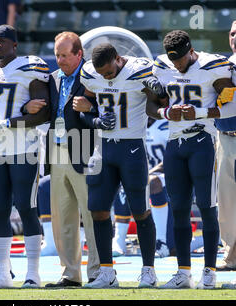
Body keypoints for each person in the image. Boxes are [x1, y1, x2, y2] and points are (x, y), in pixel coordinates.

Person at [148, 30, 236, 289]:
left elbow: (231, 105)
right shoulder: (162, 66)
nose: (177, 65)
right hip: (175, 143)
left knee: (208, 207)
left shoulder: (214, 65)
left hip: (203, 141)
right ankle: (183, 272)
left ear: (191, 51)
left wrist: (198, 112)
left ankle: (209, 271)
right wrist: (166, 111)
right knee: (179, 209)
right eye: (172, 60)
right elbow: (150, 104)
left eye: (181, 60)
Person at [77, 43, 158, 289]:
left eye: (109, 72)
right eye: (102, 74)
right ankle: (106, 273)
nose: (106, 77)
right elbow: (82, 108)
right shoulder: (90, 73)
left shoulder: (140, 70)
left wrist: (156, 92)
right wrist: (95, 118)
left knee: (140, 210)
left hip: (132, 147)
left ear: (119, 59)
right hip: (103, 149)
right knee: (98, 210)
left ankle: (148, 271)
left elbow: (159, 101)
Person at [0, 25, 50, 289]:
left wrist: (10, 120)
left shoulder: (30, 67)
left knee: (27, 209)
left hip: (24, 148)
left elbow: (43, 113)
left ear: (15, 46)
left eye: (4, 41)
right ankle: (3, 274)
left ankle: (33, 274)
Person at [24, 31, 100, 288]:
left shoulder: (93, 76)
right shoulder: (53, 79)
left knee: (92, 215)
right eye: (57, 55)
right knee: (62, 217)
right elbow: (45, 111)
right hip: (56, 152)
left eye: (65, 55)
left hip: (84, 151)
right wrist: (27, 108)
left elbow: (107, 110)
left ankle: (98, 272)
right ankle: (70, 274)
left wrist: (91, 108)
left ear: (79, 54)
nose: (60, 60)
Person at [112, 118, 172, 259]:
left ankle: (160, 242)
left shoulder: (165, 125)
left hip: (169, 177)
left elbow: (172, 158)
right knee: (123, 181)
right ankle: (119, 240)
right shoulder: (132, 125)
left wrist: (147, 174)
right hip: (144, 178)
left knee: (152, 181)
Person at [215, 22, 236, 273]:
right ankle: (230, 255)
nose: (235, 37)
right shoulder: (219, 66)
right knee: (227, 201)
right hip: (224, 137)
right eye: (232, 33)